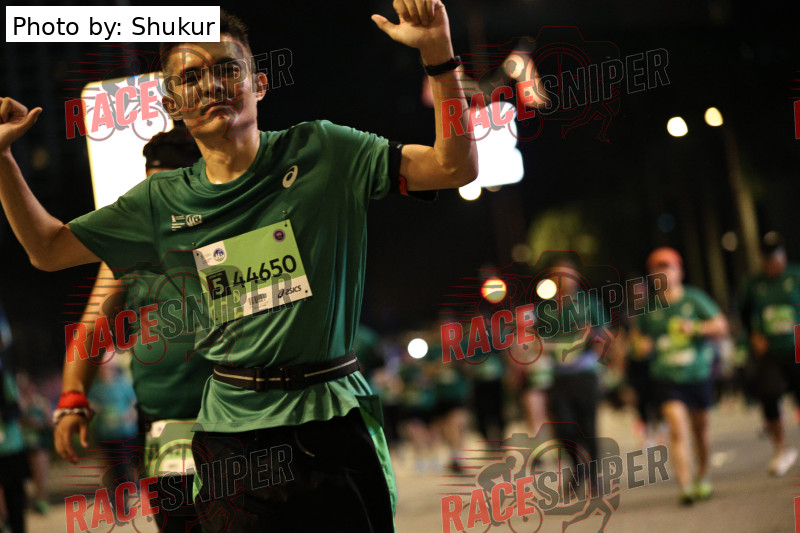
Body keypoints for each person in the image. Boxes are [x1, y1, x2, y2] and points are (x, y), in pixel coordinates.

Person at [0, 2, 477, 531]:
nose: (211, 86)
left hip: (334, 420)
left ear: (260, 84)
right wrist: (2, 160)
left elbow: (453, 166)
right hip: (226, 435)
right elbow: (47, 249)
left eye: (227, 69)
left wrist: (439, 58)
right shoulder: (158, 202)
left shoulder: (324, 151)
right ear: (172, 104)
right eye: (191, 78)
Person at [53, 123, 211, 531]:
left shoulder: (233, 231)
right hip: (167, 430)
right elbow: (91, 331)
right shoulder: (132, 246)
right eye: (149, 189)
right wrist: (72, 399)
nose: (156, 202)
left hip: (244, 421)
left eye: (168, 188)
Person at [631, 247, 728, 505]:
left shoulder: (694, 299)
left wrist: (695, 327)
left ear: (679, 271)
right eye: (657, 269)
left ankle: (703, 477)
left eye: (667, 267)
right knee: (676, 427)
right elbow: (637, 342)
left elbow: (721, 326)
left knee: (700, 430)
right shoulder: (649, 308)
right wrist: (641, 347)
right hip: (667, 377)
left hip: (697, 373)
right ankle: (685, 485)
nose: (662, 273)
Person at [739, 232, 800, 476]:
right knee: (769, 395)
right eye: (767, 258)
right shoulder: (754, 284)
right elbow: (744, 314)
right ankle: (781, 449)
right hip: (770, 351)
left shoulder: (795, 276)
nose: (771, 263)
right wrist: (753, 335)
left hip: (796, 346)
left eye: (774, 257)